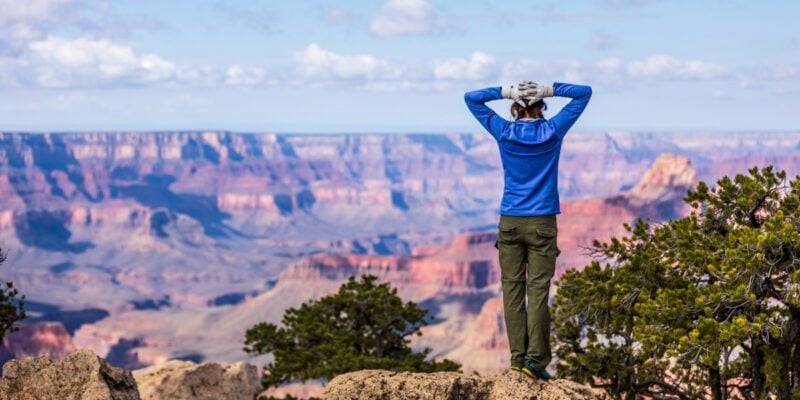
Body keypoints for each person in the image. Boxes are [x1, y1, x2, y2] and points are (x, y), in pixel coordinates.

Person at [464, 80, 592, 380]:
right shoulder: (553, 131)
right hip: (542, 224)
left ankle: (517, 359)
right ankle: (536, 362)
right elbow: (583, 93)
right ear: (540, 106)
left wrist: (506, 91)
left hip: (509, 221)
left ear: (514, 108)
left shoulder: (504, 132)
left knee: (511, 291)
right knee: (537, 293)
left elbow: (471, 99)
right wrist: (548, 88)